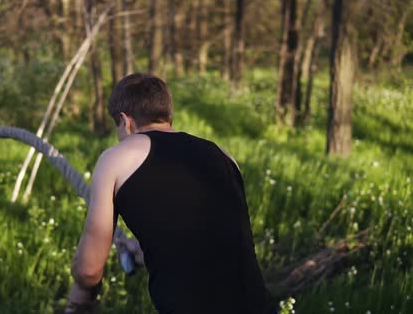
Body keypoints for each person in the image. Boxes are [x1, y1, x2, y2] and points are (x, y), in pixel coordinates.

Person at [66, 73, 276, 313]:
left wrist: (77, 295)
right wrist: (144, 253)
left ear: (125, 121)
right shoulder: (223, 156)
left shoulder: (116, 158)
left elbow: (88, 271)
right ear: (167, 115)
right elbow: (214, 246)